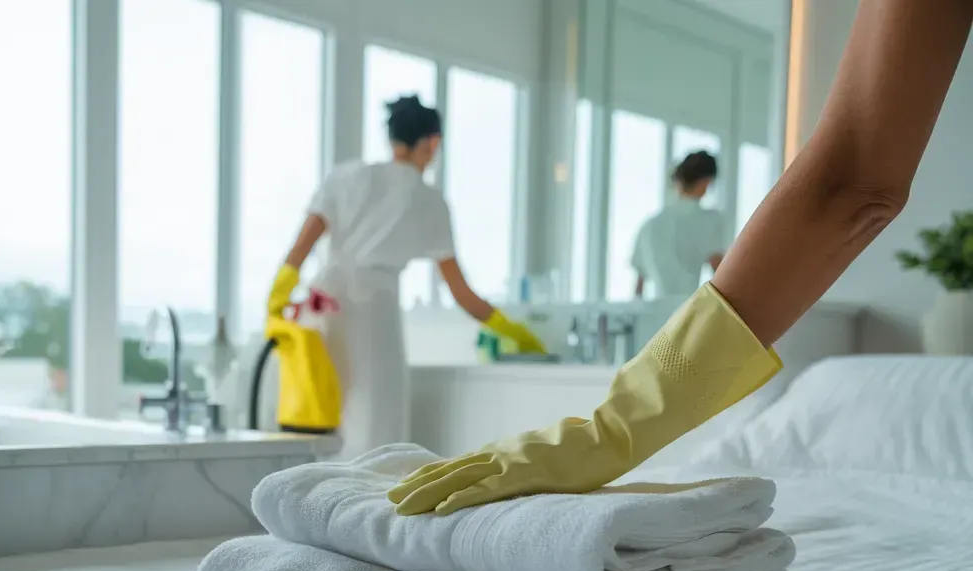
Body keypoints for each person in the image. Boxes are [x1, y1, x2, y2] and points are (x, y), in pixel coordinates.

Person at [390, 0, 973, 516]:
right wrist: (617, 424)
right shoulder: (707, 220)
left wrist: (618, 427)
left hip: (688, 329)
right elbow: (848, 188)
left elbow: (854, 183)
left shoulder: (650, 223)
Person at [267, 95, 546, 458]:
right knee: (376, 426)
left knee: (322, 413)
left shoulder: (346, 176)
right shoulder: (428, 200)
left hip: (320, 304)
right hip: (371, 309)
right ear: (433, 143)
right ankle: (363, 510)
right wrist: (514, 331)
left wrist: (278, 293)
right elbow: (460, 291)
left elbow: (301, 246)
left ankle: (314, 505)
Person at [631, 151, 726, 300]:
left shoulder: (649, 225)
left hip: (655, 315)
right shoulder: (709, 220)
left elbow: (638, 288)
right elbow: (720, 273)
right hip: (689, 311)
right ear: (706, 182)